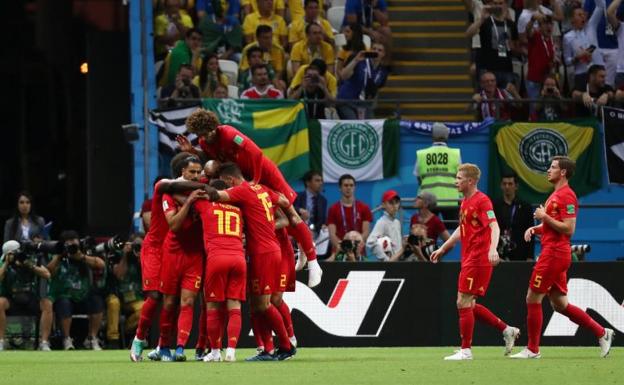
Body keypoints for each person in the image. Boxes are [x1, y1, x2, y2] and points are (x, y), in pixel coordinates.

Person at [179, 109, 323, 288]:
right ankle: (302, 248)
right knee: (275, 214)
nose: (205, 137)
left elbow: (256, 154)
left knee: (291, 213)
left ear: (214, 126)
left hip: (264, 173)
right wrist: (192, 150)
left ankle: (314, 262)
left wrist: (255, 179)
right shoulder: (204, 142)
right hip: (245, 178)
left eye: (208, 132)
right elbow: (211, 159)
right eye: (201, 134)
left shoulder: (230, 133)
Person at [511, 156, 614, 359]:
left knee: (532, 297)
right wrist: (536, 228)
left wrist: (544, 217)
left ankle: (532, 349)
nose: (548, 170)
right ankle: (602, 332)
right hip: (554, 253)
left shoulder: (567, 196)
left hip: (554, 255)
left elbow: (569, 229)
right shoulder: (555, 194)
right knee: (560, 304)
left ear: (563, 172)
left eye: (553, 167)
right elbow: (552, 226)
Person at [204, 162, 296, 361]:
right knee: (256, 305)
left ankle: (287, 345)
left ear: (229, 180)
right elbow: (283, 200)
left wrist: (197, 186)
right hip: (265, 250)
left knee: (264, 304)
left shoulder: (242, 191)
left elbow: (216, 196)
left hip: (264, 253)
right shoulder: (262, 189)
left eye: (227, 184)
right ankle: (268, 350)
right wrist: (269, 222)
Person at [430, 164, 520, 360]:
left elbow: (494, 226)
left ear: (470, 181)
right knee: (468, 304)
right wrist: (443, 248)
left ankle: (466, 350)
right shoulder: (465, 201)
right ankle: (507, 330)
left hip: (479, 259)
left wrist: (492, 249)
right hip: (469, 257)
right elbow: (460, 230)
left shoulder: (482, 201)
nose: (456, 181)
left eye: (459, 178)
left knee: (463, 301)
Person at [158, 155, 205, 361]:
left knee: (188, 302)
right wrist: (188, 203)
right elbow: (174, 226)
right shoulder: (168, 194)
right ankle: (164, 346)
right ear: (182, 173)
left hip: (195, 256)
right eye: (192, 172)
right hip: (173, 253)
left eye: (198, 171)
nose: (196, 175)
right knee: (169, 303)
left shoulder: (204, 190)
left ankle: (180, 348)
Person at [193, 179, 246, 362]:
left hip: (217, 259)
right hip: (239, 258)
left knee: (213, 306)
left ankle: (215, 351)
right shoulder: (239, 210)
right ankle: (231, 350)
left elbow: (183, 196)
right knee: (235, 306)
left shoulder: (206, 205)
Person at [47, 230, 106, 351]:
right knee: (64, 303)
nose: (72, 245)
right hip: (65, 295)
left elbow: (101, 264)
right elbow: (48, 271)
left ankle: (92, 338)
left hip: (83, 296)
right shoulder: (59, 256)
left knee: (97, 300)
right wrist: (59, 256)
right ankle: (67, 339)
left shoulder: (84, 253)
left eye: (74, 240)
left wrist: (82, 257)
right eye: (69, 242)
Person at [0, 240, 52, 351]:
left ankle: (44, 343)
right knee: (0, 303)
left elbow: (47, 274)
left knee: (47, 304)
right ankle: (1, 341)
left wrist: (29, 265)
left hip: (29, 297)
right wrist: (7, 263)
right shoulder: (2, 262)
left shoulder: (28, 259)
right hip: (11, 298)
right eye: (12, 253)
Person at [413, 123, 461, 224]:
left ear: (432, 136)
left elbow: (418, 178)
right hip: (450, 200)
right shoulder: (455, 154)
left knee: (427, 231)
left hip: (427, 201)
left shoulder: (422, 154)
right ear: (446, 136)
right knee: (451, 233)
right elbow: (460, 178)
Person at [466, 0, 518, 89]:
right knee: (486, 99)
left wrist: (511, 46)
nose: (498, 6)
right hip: (487, 69)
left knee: (506, 100)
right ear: (490, 5)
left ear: (505, 5)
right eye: (495, 3)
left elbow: (515, 47)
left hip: (506, 67)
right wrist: (481, 19)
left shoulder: (511, 24)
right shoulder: (485, 21)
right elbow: (468, 34)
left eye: (500, 3)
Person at [106, 235, 145, 349]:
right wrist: (125, 255)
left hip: (135, 298)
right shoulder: (117, 254)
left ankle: (127, 329)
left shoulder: (142, 256)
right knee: (113, 303)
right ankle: (113, 340)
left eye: (140, 246)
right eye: (136, 246)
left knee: (144, 308)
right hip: (118, 295)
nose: (137, 249)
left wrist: (142, 255)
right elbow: (119, 275)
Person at [337, 42, 390, 119]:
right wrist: (355, 60)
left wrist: (372, 105)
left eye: (379, 50)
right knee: (354, 124)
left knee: (370, 125)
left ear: (383, 54)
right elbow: (343, 76)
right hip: (346, 101)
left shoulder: (383, 71)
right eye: (374, 49)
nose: (376, 51)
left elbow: (377, 89)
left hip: (364, 104)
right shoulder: (360, 61)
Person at [327, 174, 373, 260]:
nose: (348, 188)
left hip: (359, 252)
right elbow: (332, 234)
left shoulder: (364, 207)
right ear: (340, 188)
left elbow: (366, 231)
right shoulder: (333, 209)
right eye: (345, 185)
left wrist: (356, 246)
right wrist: (343, 247)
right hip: (339, 252)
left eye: (351, 185)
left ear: (355, 187)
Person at [493, 173, 535, 261]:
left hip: (520, 254)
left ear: (516, 186)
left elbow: (531, 232)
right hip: (499, 254)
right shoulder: (494, 206)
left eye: (510, 184)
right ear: (501, 186)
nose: (507, 187)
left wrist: (530, 256)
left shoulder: (525, 207)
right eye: (504, 184)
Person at [563, 7, 604, 92]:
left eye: (583, 15)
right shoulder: (567, 37)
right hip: (580, 74)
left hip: (595, 74)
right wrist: (577, 57)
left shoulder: (590, 31)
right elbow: (567, 61)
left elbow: (600, 7)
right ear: (572, 19)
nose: (583, 17)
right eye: (579, 15)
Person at [525, 15, 559, 112]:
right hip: (534, 79)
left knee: (546, 109)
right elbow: (527, 30)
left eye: (550, 24)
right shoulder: (536, 36)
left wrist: (554, 62)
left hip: (546, 82)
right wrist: (532, 19)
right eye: (545, 24)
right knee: (534, 109)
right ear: (539, 27)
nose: (549, 27)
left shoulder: (552, 41)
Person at [366, 190, 404, 262]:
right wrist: (385, 260)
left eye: (396, 202)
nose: (394, 206)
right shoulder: (382, 222)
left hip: (399, 262)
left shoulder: (397, 222)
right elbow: (370, 242)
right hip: (389, 265)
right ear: (383, 205)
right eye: (390, 203)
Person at [293, 170, 327, 238]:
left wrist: (323, 225)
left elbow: (322, 220)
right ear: (308, 182)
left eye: (321, 181)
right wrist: (299, 210)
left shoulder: (323, 200)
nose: (320, 183)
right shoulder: (297, 196)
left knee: (326, 232)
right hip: (298, 230)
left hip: (315, 233)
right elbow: (289, 208)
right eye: (317, 180)